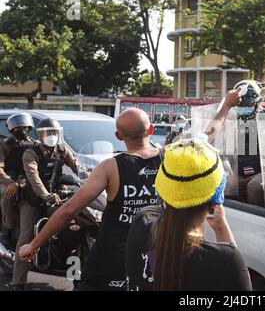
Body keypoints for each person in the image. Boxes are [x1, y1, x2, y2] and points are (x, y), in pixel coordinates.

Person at [19, 109, 161, 291]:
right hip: (156, 252)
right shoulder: (168, 161)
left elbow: (69, 210)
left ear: (118, 136)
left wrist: (33, 244)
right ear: (151, 130)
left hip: (111, 259)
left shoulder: (111, 167)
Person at [125, 139, 252, 291]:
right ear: (215, 203)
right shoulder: (225, 260)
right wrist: (221, 229)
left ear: (163, 192)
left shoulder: (141, 223)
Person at [11, 118, 79, 291]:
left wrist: (89, 178)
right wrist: (46, 195)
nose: (51, 137)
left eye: (54, 133)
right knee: (26, 236)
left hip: (56, 196)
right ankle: (18, 282)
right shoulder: (30, 153)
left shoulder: (62, 149)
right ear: (40, 135)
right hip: (32, 199)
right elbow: (33, 178)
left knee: (75, 228)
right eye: (47, 133)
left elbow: (78, 166)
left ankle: (75, 275)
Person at [0, 113, 37, 247]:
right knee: (7, 193)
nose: (22, 130)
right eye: (18, 128)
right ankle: (7, 228)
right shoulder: (4, 144)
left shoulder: (35, 144)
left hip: (29, 179)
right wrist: (9, 182)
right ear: (11, 129)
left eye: (25, 127)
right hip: (9, 178)